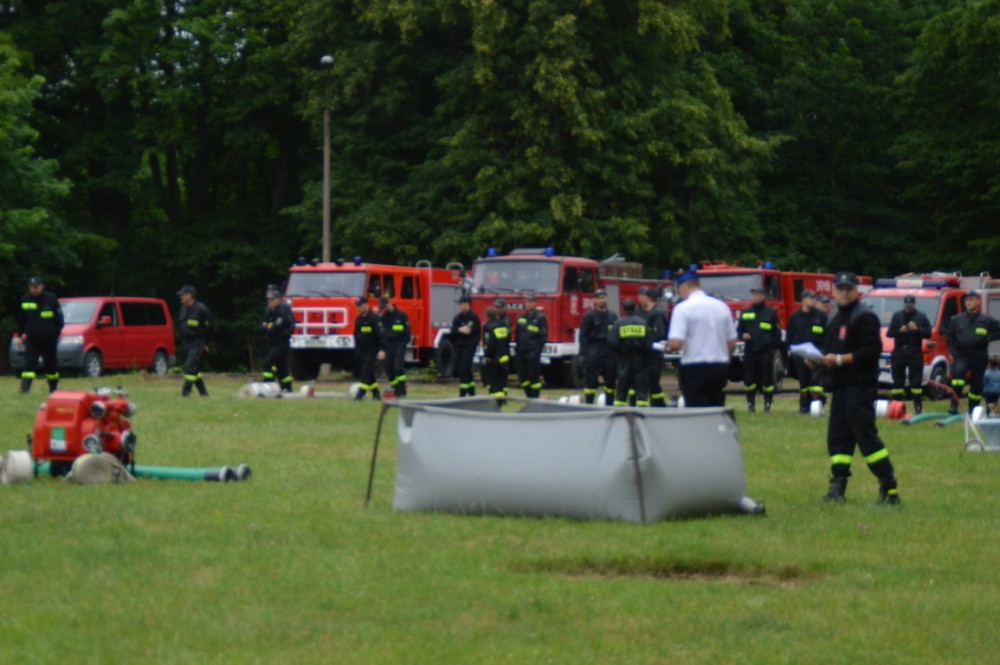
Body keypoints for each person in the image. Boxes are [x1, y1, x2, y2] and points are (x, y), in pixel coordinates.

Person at [811, 271, 899, 505]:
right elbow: (829, 349)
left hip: (859, 386)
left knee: (866, 437)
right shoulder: (834, 316)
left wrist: (840, 360)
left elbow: (872, 350)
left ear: (856, 290)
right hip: (840, 386)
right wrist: (817, 360)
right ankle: (837, 486)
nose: (844, 292)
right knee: (837, 437)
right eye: (840, 288)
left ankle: (888, 486)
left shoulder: (864, 316)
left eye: (849, 288)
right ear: (833, 290)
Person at [667, 271, 737, 407]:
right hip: (719, 366)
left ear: (683, 288)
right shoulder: (722, 307)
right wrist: (726, 358)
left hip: (695, 367)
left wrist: (667, 346)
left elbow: (676, 344)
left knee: (696, 409)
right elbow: (732, 342)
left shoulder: (683, 308)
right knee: (716, 407)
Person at [946, 291, 1000, 414]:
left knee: (977, 384)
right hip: (962, 355)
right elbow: (949, 338)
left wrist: (990, 337)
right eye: (966, 300)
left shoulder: (986, 320)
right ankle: (954, 405)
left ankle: (973, 408)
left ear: (978, 301)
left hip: (979, 355)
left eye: (971, 299)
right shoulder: (956, 319)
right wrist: (954, 353)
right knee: (958, 375)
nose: (968, 302)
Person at [737, 286, 781, 413]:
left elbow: (777, 333)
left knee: (767, 380)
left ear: (763, 296)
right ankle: (751, 405)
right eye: (753, 294)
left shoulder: (771, 313)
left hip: (766, 352)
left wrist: (772, 347)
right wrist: (742, 335)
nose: (754, 297)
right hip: (750, 352)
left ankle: (767, 405)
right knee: (749, 380)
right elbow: (739, 330)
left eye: (757, 294)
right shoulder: (746, 313)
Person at [16, 276, 64, 393]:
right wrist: (19, 335)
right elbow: (21, 319)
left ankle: (53, 388)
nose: (34, 289)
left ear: (42, 286)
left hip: (49, 339)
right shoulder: (25, 299)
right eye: (31, 287)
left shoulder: (51, 298)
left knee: (50, 364)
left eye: (36, 287)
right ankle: (24, 389)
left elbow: (59, 320)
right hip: (32, 339)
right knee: (29, 363)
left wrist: (54, 333)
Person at [886, 294, 932, 414]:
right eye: (907, 306)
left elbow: (928, 333)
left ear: (914, 305)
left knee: (916, 383)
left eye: (911, 306)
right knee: (898, 383)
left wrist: (917, 329)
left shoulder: (921, 316)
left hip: (914, 352)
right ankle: (895, 408)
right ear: (904, 305)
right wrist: (900, 331)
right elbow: (889, 333)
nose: (909, 308)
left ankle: (918, 409)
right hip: (899, 352)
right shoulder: (897, 316)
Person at [786, 289, 828, 413]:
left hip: (818, 355)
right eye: (811, 298)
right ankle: (803, 406)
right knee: (804, 383)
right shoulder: (794, 317)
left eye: (815, 298)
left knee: (817, 382)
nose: (814, 300)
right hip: (800, 355)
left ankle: (818, 405)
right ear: (804, 300)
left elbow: (827, 337)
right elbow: (790, 339)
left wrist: (822, 355)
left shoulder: (821, 316)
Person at [609, 299, 651, 406]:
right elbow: (648, 343)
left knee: (622, 388)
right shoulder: (643, 322)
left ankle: (619, 409)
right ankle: (643, 409)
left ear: (623, 309)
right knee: (641, 389)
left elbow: (613, 342)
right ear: (635, 308)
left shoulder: (618, 323)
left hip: (624, 359)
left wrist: (619, 355)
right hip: (640, 359)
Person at [579, 288, 617, 404]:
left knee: (610, 380)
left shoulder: (613, 316)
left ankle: (609, 405)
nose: (601, 300)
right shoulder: (589, 316)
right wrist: (585, 353)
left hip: (609, 352)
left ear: (607, 299)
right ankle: (589, 405)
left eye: (603, 298)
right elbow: (583, 336)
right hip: (594, 350)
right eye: (599, 298)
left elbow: (617, 334)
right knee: (590, 381)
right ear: (594, 300)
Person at [176, 285, 212, 397]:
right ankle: (203, 393)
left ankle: (185, 393)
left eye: (183, 295)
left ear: (190, 296)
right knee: (194, 370)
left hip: (198, 342)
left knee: (189, 367)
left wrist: (206, 343)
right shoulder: (182, 309)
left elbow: (210, 328)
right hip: (186, 342)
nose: (181, 297)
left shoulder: (201, 309)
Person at [260, 284, 295, 392]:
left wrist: (268, 327)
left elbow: (276, 327)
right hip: (272, 342)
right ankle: (287, 388)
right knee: (281, 367)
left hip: (281, 342)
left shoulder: (282, 310)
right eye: (268, 299)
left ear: (278, 299)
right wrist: (267, 327)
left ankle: (267, 386)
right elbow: (263, 326)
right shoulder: (268, 309)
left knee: (268, 363)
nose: (269, 301)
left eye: (272, 299)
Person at [638, 286, 668, 407]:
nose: (639, 299)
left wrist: (648, 344)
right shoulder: (644, 313)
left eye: (641, 296)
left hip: (654, 356)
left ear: (647, 298)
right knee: (651, 384)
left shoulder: (657, 314)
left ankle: (659, 406)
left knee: (653, 382)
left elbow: (659, 335)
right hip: (646, 355)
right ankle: (658, 405)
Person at [515, 292, 547, 398]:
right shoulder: (522, 317)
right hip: (521, 352)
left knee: (533, 378)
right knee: (522, 377)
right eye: (527, 302)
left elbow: (543, 337)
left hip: (533, 353)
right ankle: (529, 396)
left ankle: (534, 399)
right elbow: (518, 334)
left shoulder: (540, 317)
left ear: (535, 303)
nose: (528, 304)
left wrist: (536, 352)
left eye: (530, 302)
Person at [377, 296, 411, 398]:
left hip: (400, 344)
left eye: (385, 306)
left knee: (397, 367)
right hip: (389, 346)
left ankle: (402, 391)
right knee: (388, 368)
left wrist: (403, 343)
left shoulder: (401, 315)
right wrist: (382, 349)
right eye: (382, 307)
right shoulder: (383, 318)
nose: (384, 308)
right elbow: (381, 334)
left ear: (389, 303)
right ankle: (396, 389)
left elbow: (407, 333)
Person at [450, 295, 481, 397]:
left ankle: (462, 394)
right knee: (462, 369)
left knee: (464, 369)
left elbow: (467, 331)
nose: (459, 306)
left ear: (466, 304)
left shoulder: (473, 317)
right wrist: (459, 329)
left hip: (469, 346)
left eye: (460, 304)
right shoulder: (458, 317)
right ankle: (471, 392)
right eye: (458, 304)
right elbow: (452, 331)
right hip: (459, 346)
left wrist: (458, 329)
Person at [353, 297, 382, 400]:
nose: (358, 308)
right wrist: (356, 349)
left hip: (372, 350)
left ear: (365, 305)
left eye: (360, 306)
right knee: (369, 373)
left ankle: (360, 395)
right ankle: (376, 394)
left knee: (365, 372)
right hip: (361, 351)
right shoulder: (358, 319)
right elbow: (356, 334)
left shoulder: (374, 318)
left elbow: (380, 335)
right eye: (357, 306)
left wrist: (381, 350)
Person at [481, 305, 511, 400]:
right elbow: (508, 338)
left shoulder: (488, 326)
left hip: (494, 358)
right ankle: (504, 397)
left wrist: (487, 355)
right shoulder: (503, 324)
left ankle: (496, 400)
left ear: (487, 315)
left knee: (494, 381)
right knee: (503, 380)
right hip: (504, 356)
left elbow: (489, 343)